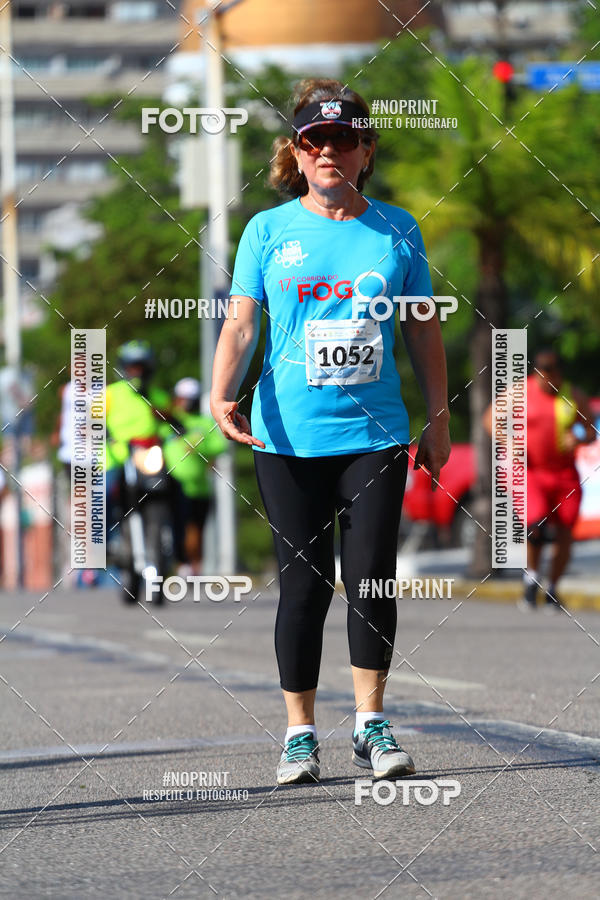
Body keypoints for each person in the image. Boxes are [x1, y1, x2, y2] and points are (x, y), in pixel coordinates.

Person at [210, 79, 450, 785]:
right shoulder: (268, 230)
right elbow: (242, 322)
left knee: (372, 579)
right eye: (315, 140)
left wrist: (437, 416)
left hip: (374, 434)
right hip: (289, 438)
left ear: (365, 150)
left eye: (344, 140)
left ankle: (372, 724)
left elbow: (422, 327)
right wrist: (223, 393)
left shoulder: (398, 229)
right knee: (303, 587)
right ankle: (300, 734)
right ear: (297, 150)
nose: (329, 152)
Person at [519, 349, 593, 610]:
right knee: (535, 526)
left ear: (558, 372)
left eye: (549, 370)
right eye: (539, 370)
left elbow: (591, 429)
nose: (543, 376)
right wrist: (508, 440)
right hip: (532, 473)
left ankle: (552, 588)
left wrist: (581, 437)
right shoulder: (521, 392)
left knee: (565, 531)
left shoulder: (573, 395)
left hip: (564, 475)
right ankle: (531, 580)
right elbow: (490, 420)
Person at [105, 341, 173, 541]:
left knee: (177, 490)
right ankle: (106, 543)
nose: (137, 373)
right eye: (132, 368)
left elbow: (171, 423)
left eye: (141, 367)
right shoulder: (110, 394)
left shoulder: (159, 396)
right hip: (115, 459)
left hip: (148, 458)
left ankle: (177, 546)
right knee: (103, 495)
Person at [163, 377, 227, 575]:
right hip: (172, 485)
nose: (185, 402)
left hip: (199, 487)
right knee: (174, 525)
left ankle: (192, 566)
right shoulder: (169, 421)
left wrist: (199, 445)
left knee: (196, 528)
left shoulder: (204, 423)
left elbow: (221, 445)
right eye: (182, 398)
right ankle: (176, 564)